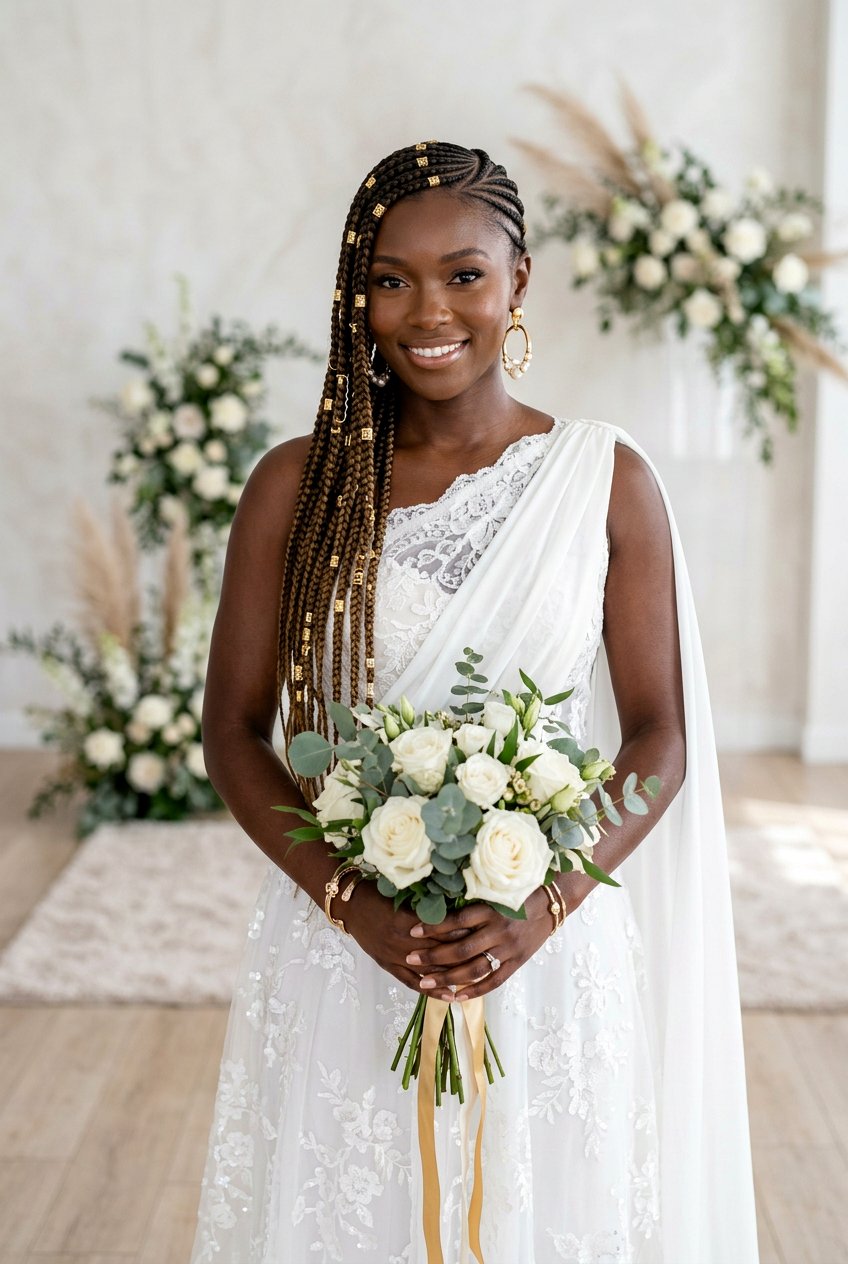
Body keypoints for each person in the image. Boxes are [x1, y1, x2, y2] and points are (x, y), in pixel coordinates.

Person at [189, 141, 760, 1263]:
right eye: (390, 280)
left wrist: (540, 906)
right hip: (347, 939)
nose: (426, 311)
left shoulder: (604, 477)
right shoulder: (294, 486)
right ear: (356, 298)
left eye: (462, 274)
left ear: (518, 283)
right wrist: (352, 906)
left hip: (547, 941)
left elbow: (657, 732)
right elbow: (233, 731)